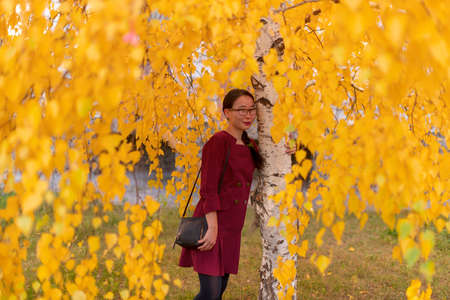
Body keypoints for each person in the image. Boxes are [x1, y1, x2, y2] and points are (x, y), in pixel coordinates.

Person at [178, 88, 263, 300]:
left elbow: (280, 143)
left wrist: (288, 143)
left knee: (219, 290)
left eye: (252, 109)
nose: (248, 114)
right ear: (227, 112)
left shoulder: (251, 145)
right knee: (210, 293)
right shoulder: (218, 142)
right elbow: (208, 189)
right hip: (212, 223)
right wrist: (213, 229)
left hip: (233, 227)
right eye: (241, 110)